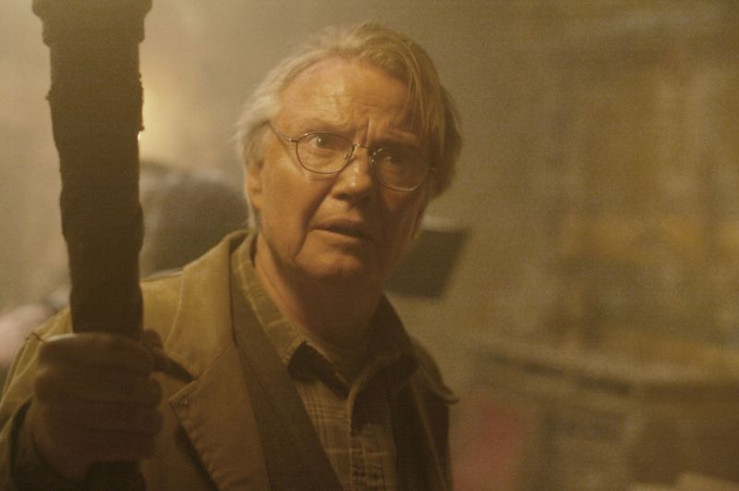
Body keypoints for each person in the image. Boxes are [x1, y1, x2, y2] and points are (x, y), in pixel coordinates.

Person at [0, 22, 461, 490]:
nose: (359, 182)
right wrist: (41, 453)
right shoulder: (102, 349)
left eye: (396, 157)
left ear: (423, 202)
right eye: (322, 142)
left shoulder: (419, 385)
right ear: (256, 174)